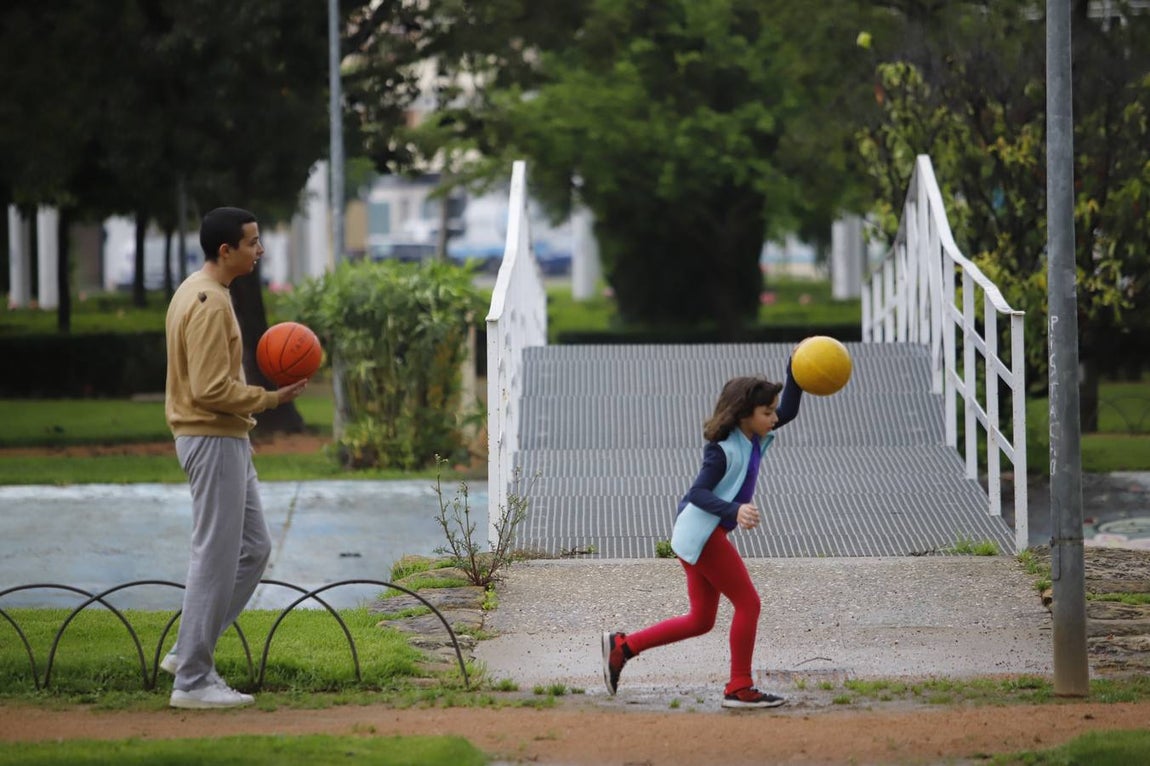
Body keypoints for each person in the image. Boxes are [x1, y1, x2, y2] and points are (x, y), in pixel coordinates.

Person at [162, 206, 308, 709]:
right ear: (226, 251)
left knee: (253, 549)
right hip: (211, 437)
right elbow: (209, 389)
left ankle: (187, 651)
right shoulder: (206, 302)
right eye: (252, 243)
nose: (259, 250)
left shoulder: (206, 292)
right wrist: (270, 398)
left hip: (226, 438)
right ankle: (193, 682)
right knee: (215, 554)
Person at [602, 367, 802, 709]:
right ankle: (739, 687)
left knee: (701, 620)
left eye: (772, 411)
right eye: (767, 412)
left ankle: (623, 647)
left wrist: (796, 365)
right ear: (744, 414)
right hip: (704, 534)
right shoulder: (722, 450)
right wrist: (734, 510)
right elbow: (698, 493)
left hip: (697, 533)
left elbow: (792, 409)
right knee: (749, 603)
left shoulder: (754, 432)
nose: (774, 418)